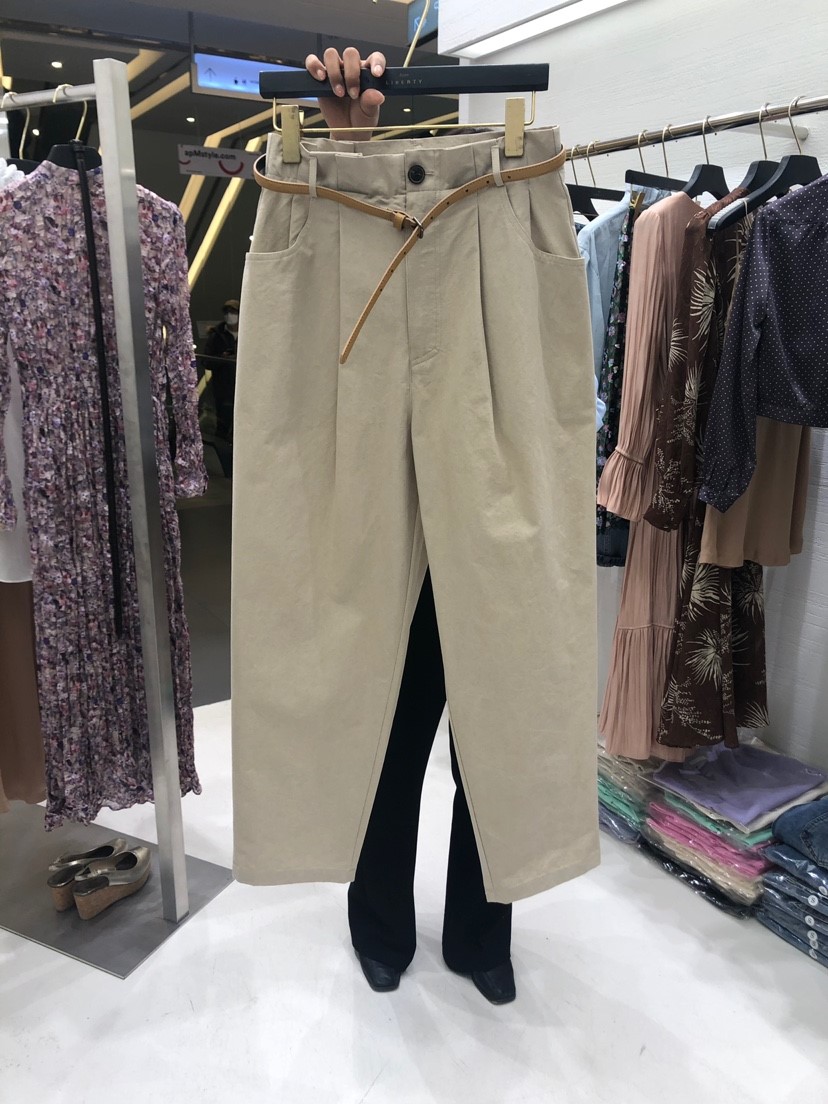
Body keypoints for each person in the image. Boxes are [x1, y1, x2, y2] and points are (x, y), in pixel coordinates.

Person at [304, 46, 516, 1006]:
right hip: (384, 482)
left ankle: (482, 933)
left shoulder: (511, 219)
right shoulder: (375, 224)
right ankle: (379, 922)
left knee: (496, 733)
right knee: (388, 732)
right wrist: (351, 141)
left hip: (486, 462)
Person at [204, 298, 240, 441]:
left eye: (233, 311)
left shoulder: (250, 333)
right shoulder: (216, 336)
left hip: (244, 389)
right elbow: (206, 362)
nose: (229, 315)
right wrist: (222, 358)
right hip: (223, 391)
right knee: (223, 427)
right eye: (227, 312)